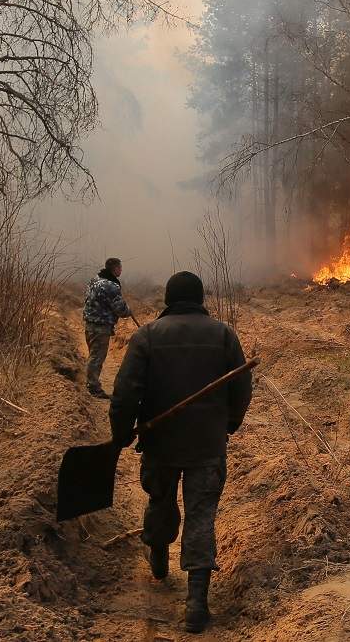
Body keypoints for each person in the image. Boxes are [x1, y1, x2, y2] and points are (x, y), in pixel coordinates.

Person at [109, 271, 253, 634]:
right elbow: (241, 388)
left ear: (168, 300)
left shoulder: (147, 336)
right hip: (207, 445)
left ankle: (158, 557)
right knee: (201, 516)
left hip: (160, 443)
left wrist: (121, 433)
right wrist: (229, 424)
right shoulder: (223, 334)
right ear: (200, 299)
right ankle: (196, 604)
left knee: (160, 499)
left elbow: (126, 393)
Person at [82, 257, 134, 399]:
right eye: (120, 267)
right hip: (101, 326)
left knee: (93, 354)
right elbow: (120, 310)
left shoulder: (95, 280)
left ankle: (90, 384)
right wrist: (129, 310)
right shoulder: (111, 286)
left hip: (89, 323)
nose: (121, 270)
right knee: (97, 357)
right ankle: (93, 388)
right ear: (115, 269)